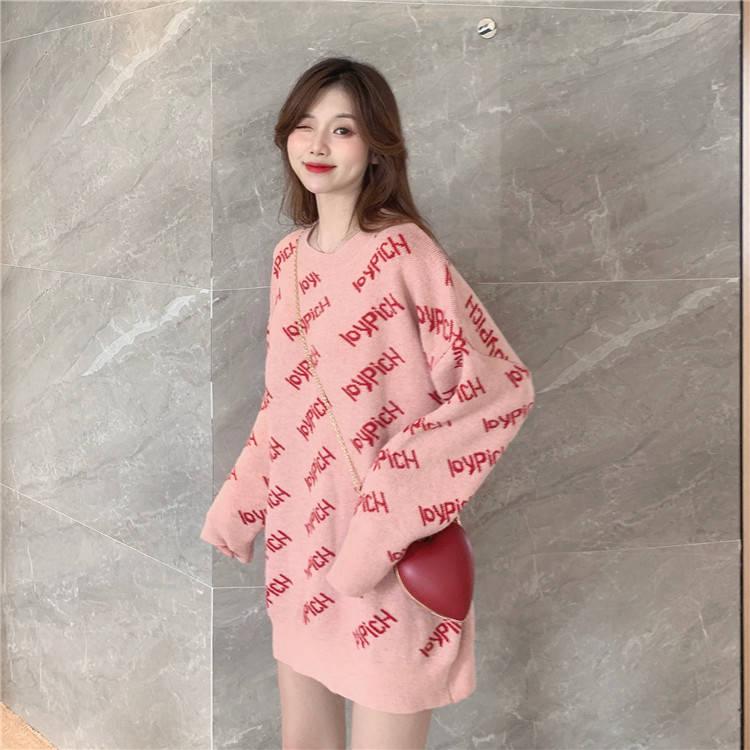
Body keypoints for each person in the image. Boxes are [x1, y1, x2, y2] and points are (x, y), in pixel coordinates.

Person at [200, 57, 535, 750]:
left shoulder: (404, 253)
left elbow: (499, 387)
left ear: (377, 145)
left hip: (388, 556)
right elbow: (285, 403)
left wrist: (386, 511)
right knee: (305, 740)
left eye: (343, 128)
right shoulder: (287, 259)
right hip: (301, 548)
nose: (318, 145)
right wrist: (241, 506)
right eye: (305, 126)